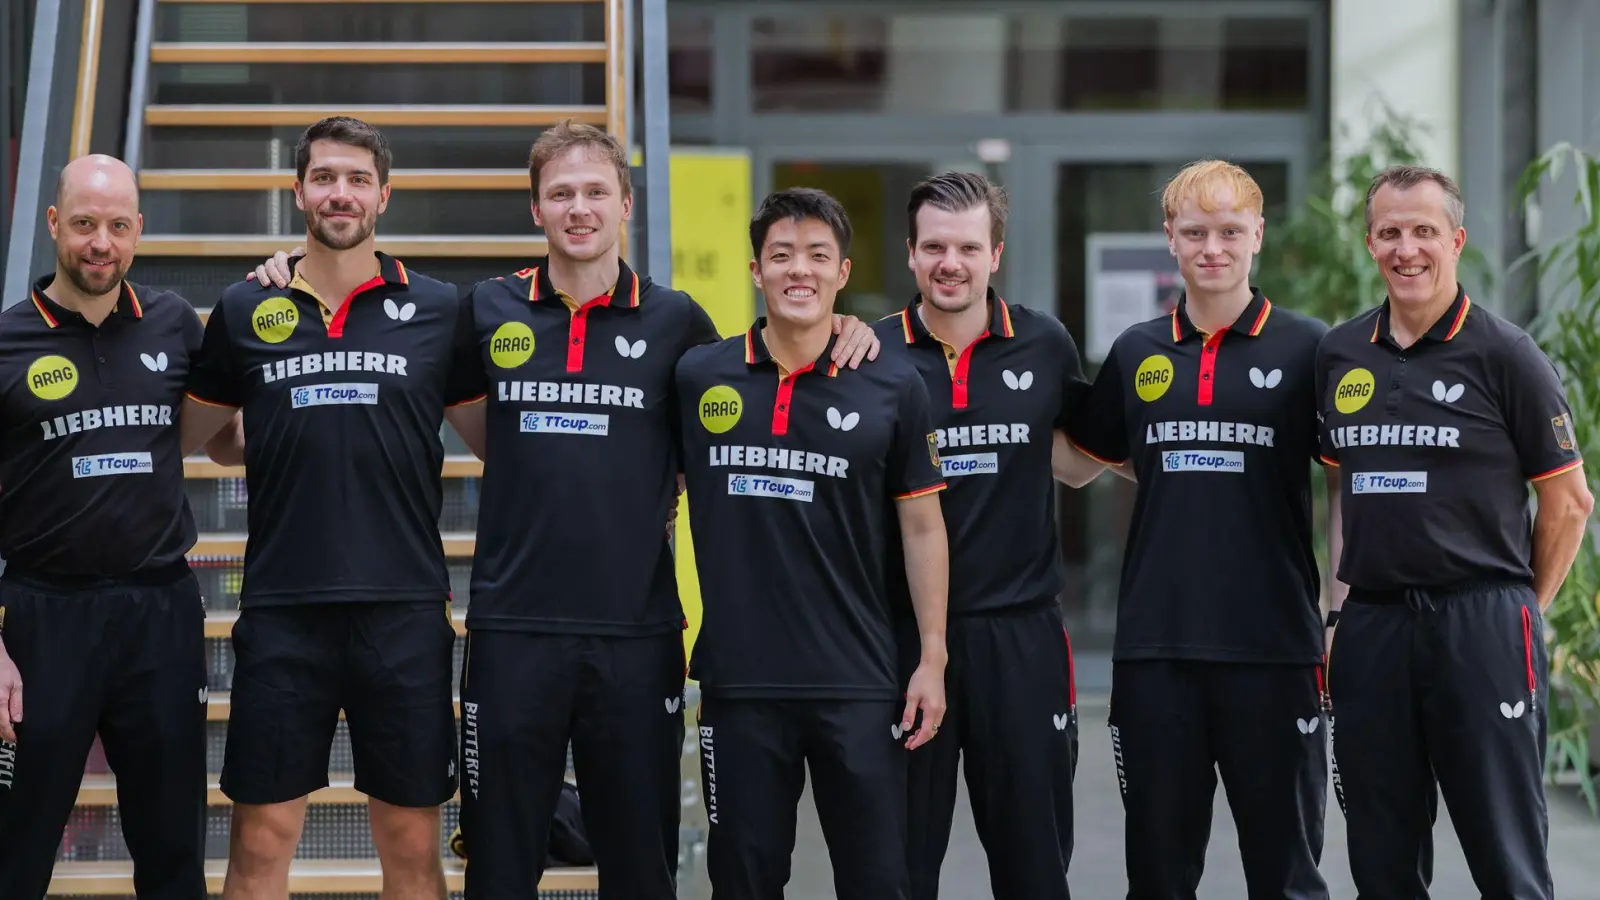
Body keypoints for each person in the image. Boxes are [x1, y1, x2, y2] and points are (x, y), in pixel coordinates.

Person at [248, 119, 883, 897]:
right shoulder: (483, 310)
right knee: (500, 868)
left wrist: (842, 323)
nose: (578, 208)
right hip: (512, 635)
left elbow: (759, 387)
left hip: (637, 636)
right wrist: (290, 271)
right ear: (535, 209)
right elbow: (400, 369)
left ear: (625, 204)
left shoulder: (678, 323)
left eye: (594, 192)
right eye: (560, 194)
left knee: (640, 870)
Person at [179, 116, 487, 899]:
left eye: (356, 179)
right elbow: (207, 438)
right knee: (258, 845)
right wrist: (277, 432)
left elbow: (497, 441)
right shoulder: (248, 307)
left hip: (403, 610)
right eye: (324, 178)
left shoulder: (439, 308)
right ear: (298, 192)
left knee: (412, 848)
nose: (339, 193)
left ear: (384, 194)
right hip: (284, 610)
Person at [1316, 165, 1593, 899]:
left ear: (1457, 240)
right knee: (1381, 859)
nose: (1406, 249)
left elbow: (1569, 503)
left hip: (1482, 621)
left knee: (1506, 855)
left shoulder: (1507, 355)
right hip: (1373, 627)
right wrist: (1337, 612)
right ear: (1371, 243)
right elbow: (1342, 489)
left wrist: (1519, 610)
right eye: (1390, 232)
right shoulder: (1340, 355)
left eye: (1424, 231)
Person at [1068, 159, 1338, 899]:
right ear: (1170, 239)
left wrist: (1339, 612)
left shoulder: (1309, 348)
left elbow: (1346, 480)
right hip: (1157, 650)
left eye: (1228, 231)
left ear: (1257, 234)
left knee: (1287, 877)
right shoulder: (1136, 350)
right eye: (1194, 232)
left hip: (1276, 649)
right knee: (1158, 877)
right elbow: (1085, 460)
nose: (1211, 248)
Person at [674, 187, 948, 900]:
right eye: (782, 255)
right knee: (743, 882)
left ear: (843, 271)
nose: (800, 270)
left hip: (859, 683)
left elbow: (923, 526)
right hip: (739, 684)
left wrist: (932, 657)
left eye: (818, 256)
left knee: (877, 883)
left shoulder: (893, 384)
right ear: (755, 270)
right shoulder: (699, 376)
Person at [0, 154, 237, 899]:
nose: (100, 243)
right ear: (53, 225)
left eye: (117, 226)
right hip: (42, 619)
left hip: (160, 613)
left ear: (138, 229)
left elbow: (225, 440)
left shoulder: (174, 323)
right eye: (83, 224)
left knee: (172, 852)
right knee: (15, 848)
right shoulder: (7, 342)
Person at [869, 170, 1107, 899]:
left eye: (968, 247)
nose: (951, 263)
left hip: (1021, 638)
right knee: (898, 869)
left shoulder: (1044, 343)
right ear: (911, 253)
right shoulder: (868, 354)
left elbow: (1078, 461)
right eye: (935, 246)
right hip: (901, 643)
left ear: (995, 254)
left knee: (1034, 864)